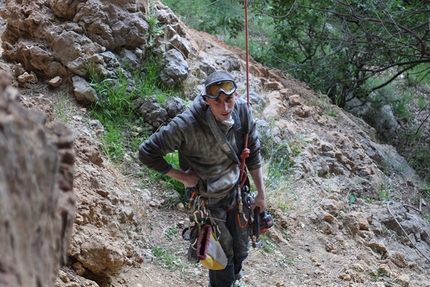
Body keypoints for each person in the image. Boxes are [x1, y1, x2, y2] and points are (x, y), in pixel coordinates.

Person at [138, 71, 266, 287]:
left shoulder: (242, 111)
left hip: (236, 190)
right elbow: (147, 152)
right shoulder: (186, 124)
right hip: (206, 197)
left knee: (241, 247)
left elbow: (252, 150)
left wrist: (261, 193)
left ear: (236, 96)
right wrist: (183, 177)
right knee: (221, 256)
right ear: (206, 101)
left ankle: (235, 280)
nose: (225, 108)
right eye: (217, 101)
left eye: (229, 100)